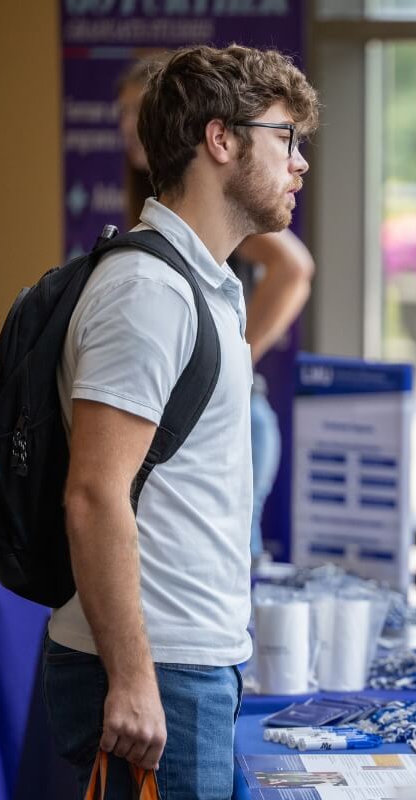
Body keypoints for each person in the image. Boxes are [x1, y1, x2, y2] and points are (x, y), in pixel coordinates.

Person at [45, 44, 318, 798]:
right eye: (285, 139)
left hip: (191, 659)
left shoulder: (207, 286)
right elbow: (93, 495)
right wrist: (133, 681)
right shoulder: (150, 293)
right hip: (155, 669)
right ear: (221, 140)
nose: (300, 165)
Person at [118, 57, 316, 558]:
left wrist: (230, 360)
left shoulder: (210, 245)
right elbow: (97, 496)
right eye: (122, 115)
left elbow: (294, 269)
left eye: (137, 113)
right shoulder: (146, 278)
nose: (128, 128)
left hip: (234, 409)